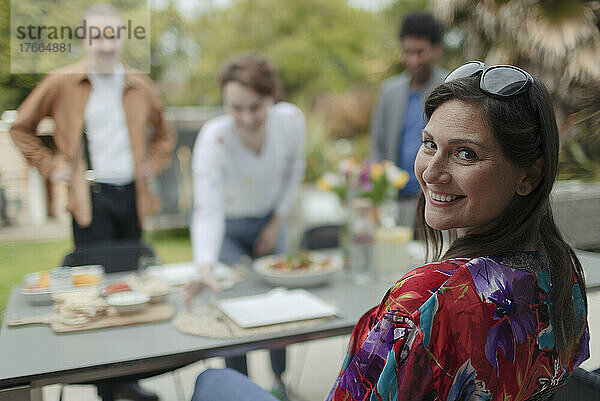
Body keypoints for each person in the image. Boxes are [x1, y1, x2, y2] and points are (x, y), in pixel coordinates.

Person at [189, 63, 590, 401]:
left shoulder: (425, 300)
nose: (431, 173)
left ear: (530, 175)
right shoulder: (564, 272)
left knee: (213, 381)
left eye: (466, 153)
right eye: (429, 144)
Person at [10, 4, 174, 401]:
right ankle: (109, 388)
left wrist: (151, 164)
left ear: (122, 38)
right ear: (84, 39)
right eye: (97, 35)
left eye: (112, 35)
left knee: (131, 286)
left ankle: (128, 379)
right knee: (93, 290)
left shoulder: (138, 84)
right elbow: (21, 129)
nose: (105, 44)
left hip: (131, 197)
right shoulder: (63, 82)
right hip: (90, 198)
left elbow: (164, 134)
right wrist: (51, 167)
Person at [185, 52, 306, 399]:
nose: (247, 117)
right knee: (232, 306)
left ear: (271, 97)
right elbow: (206, 207)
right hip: (229, 228)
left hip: (270, 221)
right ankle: (239, 388)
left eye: (255, 106)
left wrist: (276, 222)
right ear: (224, 101)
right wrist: (204, 265)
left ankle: (278, 380)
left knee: (278, 303)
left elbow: (293, 171)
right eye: (236, 108)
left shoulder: (290, 121)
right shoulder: (213, 138)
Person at [370, 12, 447, 227]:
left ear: (436, 49)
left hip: (437, 198)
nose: (413, 60)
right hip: (396, 202)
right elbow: (378, 145)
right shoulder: (389, 91)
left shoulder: (450, 88)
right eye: (407, 52)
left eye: (420, 52)